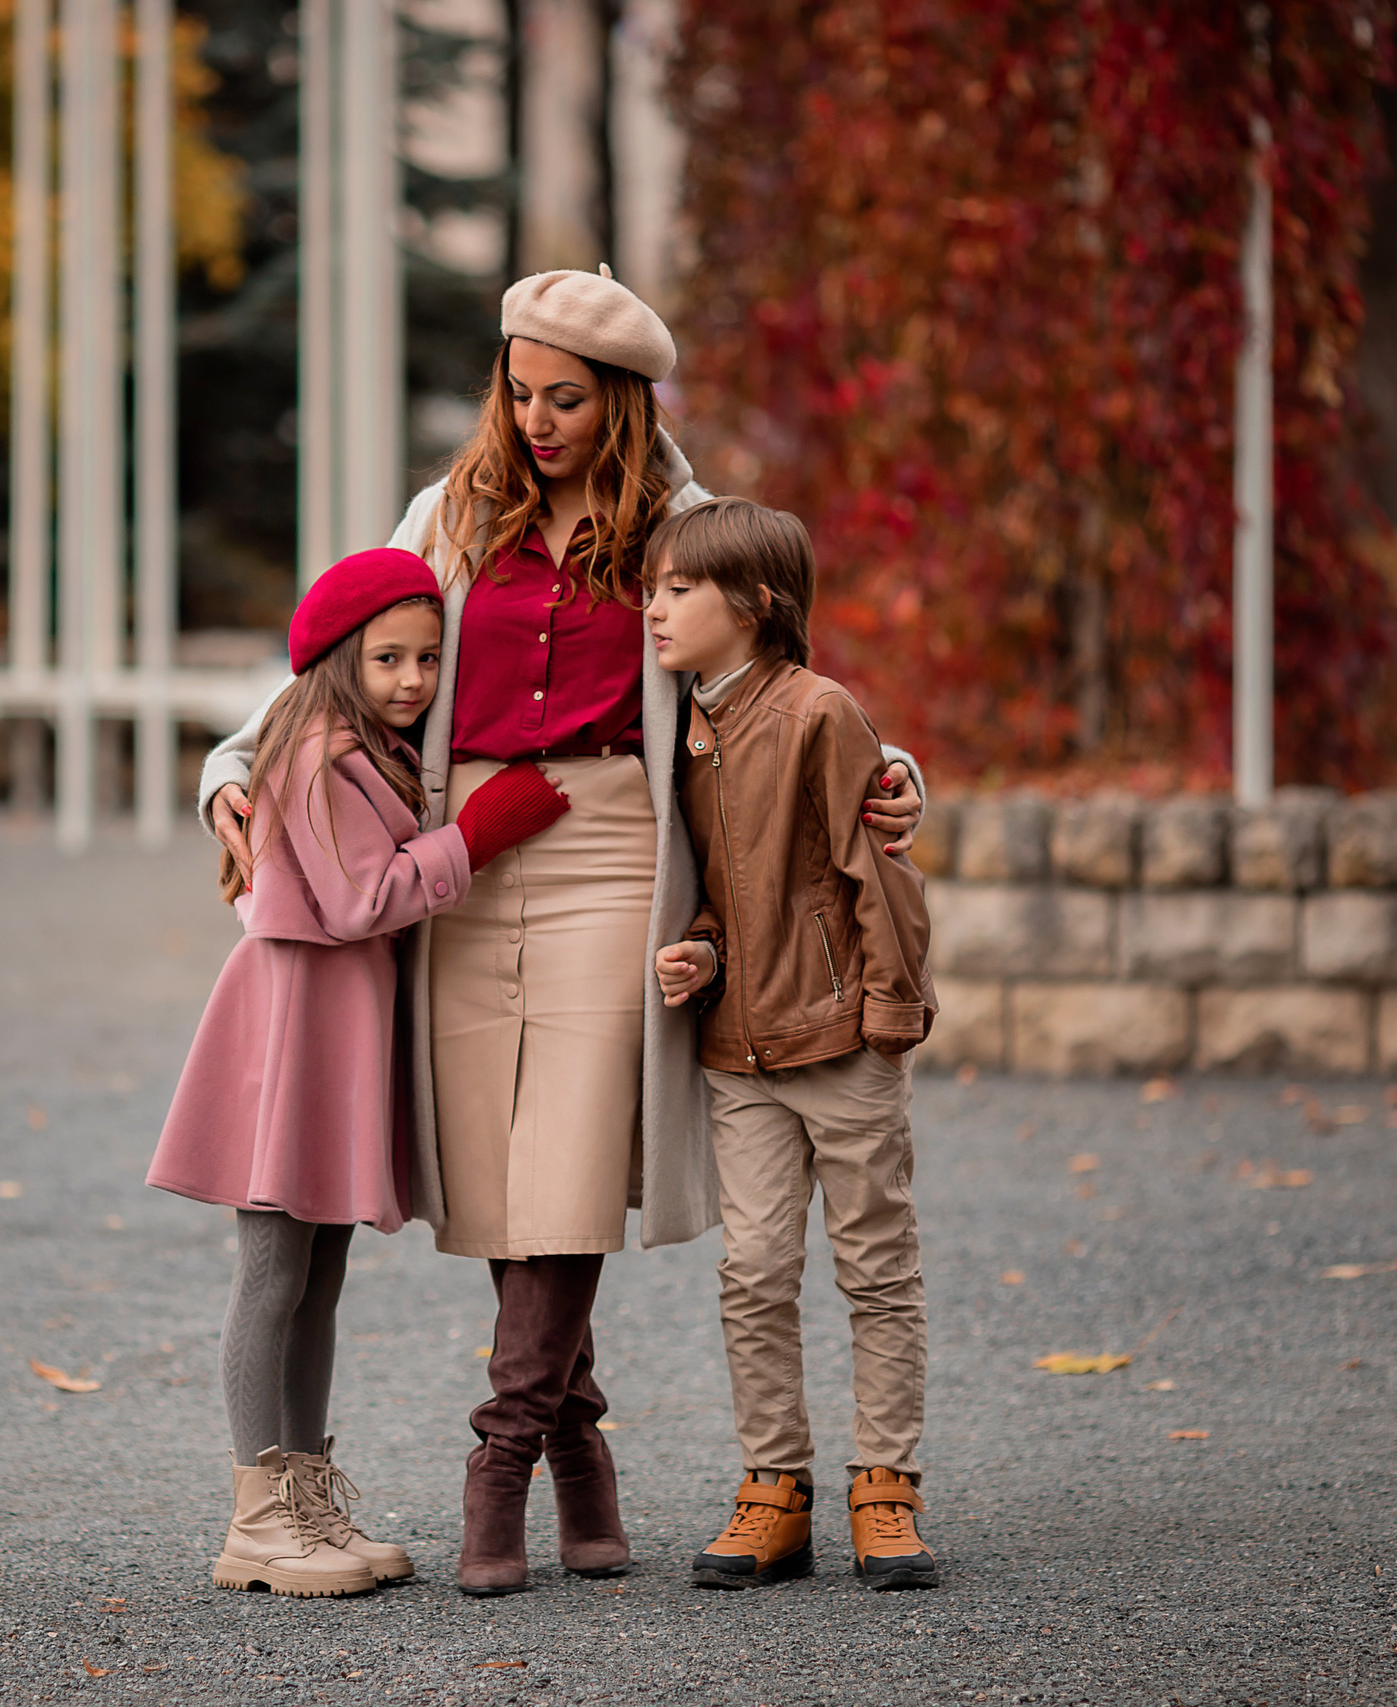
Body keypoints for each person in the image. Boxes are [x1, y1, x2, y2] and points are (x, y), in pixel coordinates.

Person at [199, 267, 928, 1595]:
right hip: (461, 851)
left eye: (568, 400)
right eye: (520, 392)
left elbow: (780, 675)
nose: (536, 421)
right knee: (498, 1162)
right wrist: (230, 768)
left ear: (626, 403)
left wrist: (897, 774)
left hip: (611, 848)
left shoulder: (682, 527)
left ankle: (504, 1455)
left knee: (576, 1151)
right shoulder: (452, 513)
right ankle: (579, 1445)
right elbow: (341, 651)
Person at [149, 547, 575, 1598]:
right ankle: (256, 1519)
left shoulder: (370, 747)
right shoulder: (316, 751)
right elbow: (356, 901)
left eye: (429, 658)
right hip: (292, 1028)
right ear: (338, 658)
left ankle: (303, 1496)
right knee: (272, 1274)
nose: (413, 679)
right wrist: (474, 837)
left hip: (334, 1029)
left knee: (319, 1276)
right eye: (388, 658)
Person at [647, 497, 940, 1592]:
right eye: (653, 588)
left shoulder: (820, 712)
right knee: (754, 1271)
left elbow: (876, 875)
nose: (655, 608)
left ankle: (885, 1488)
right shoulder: (682, 728)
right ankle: (775, 1489)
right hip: (740, 1053)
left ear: (755, 605)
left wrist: (891, 1015)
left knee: (876, 1266)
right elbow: (724, 890)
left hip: (843, 1041)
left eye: (679, 589)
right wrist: (702, 952)